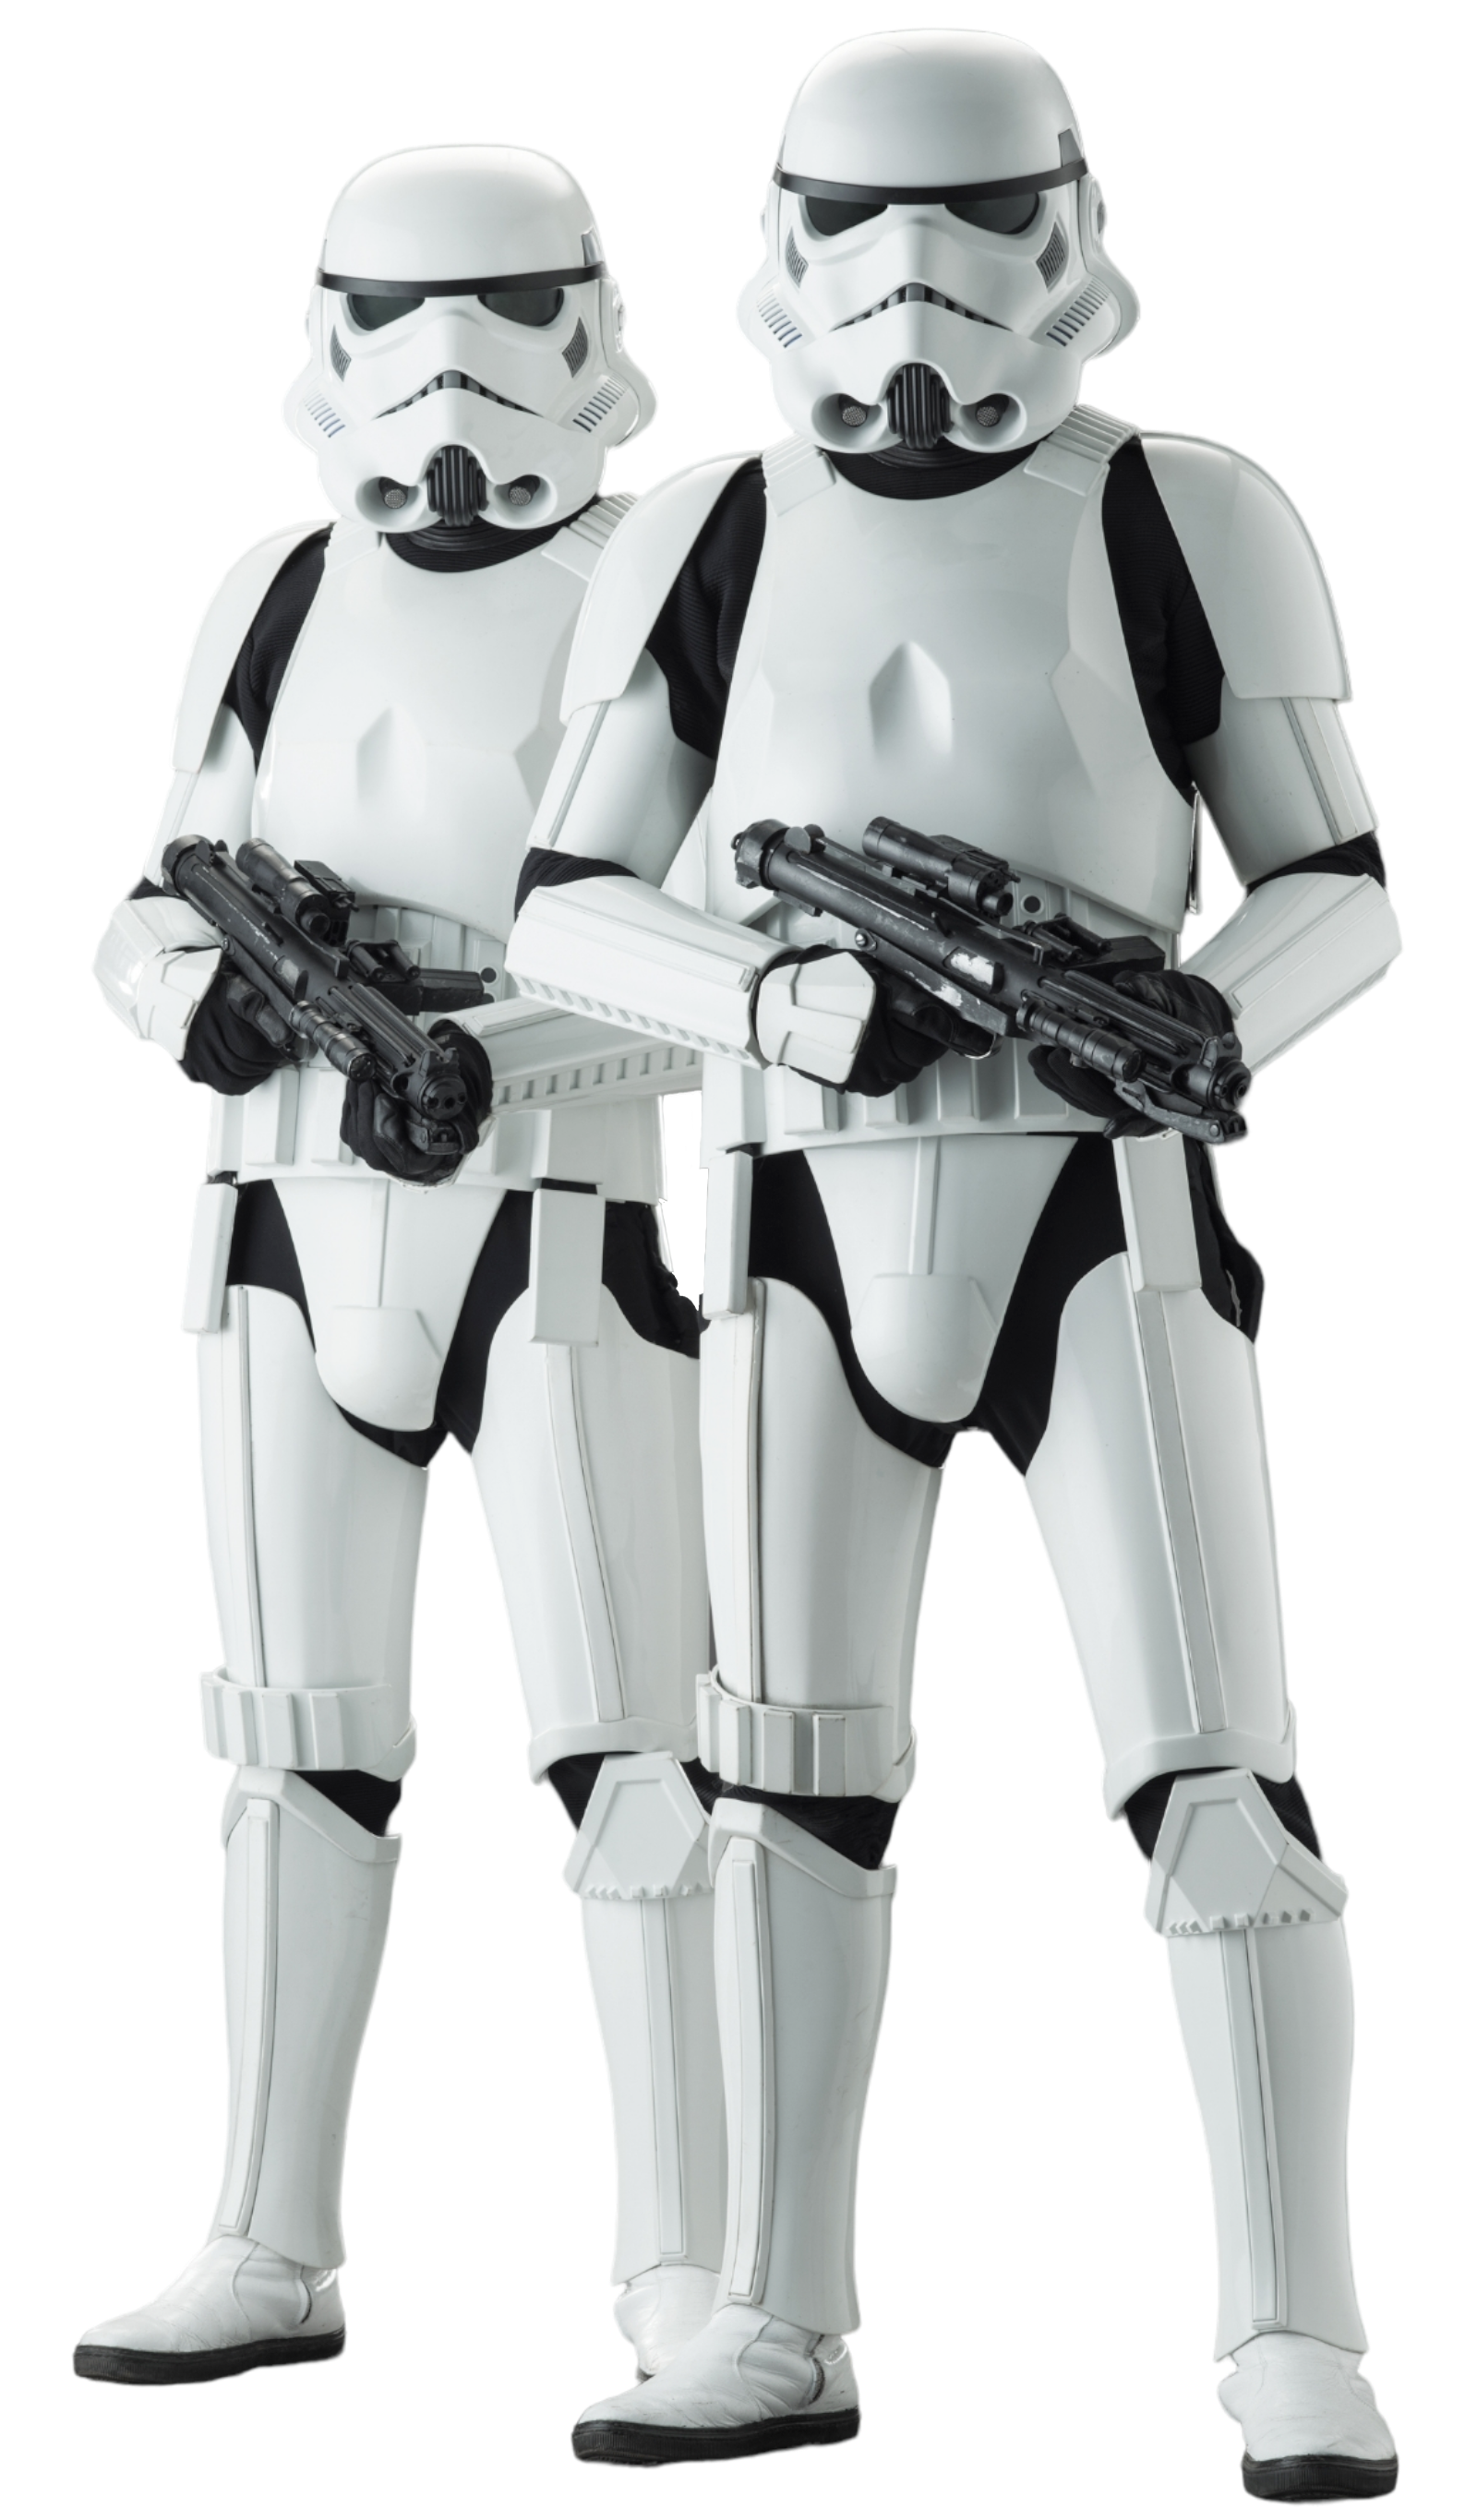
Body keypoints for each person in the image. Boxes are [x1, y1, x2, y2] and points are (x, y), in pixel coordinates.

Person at [504, 30, 1405, 2496]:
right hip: (794, 1205)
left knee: (1218, 1782)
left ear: (1069, 226)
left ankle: (1293, 2331)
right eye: (862, 226)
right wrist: (770, 1000)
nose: (916, 284)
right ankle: (777, 2311)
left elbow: (1338, 875)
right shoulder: (700, 531)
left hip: (1105, 1205)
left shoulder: (1187, 509)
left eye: (976, 221)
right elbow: (566, 900)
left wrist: (1202, 1018)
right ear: (780, 243)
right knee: (781, 1784)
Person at [77, 139, 727, 2392]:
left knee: (629, 1753)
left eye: (504, 315)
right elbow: (153, 890)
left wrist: (481, 1052)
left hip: (562, 1211)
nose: (450, 379)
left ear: (589, 326)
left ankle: (684, 2275)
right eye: (398, 320)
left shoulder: (662, 575)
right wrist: (202, 997)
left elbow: (735, 960)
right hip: (275, 1218)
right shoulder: (272, 586)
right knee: (292, 1750)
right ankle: (269, 2238)